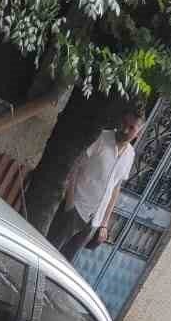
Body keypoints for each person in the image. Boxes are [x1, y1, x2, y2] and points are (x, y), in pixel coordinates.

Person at [47, 112, 145, 261]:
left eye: (131, 128)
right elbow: (76, 167)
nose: (125, 130)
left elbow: (115, 188)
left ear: (139, 132)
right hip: (75, 209)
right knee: (49, 253)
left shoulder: (130, 155)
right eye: (124, 123)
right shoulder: (102, 138)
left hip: (93, 221)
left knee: (65, 262)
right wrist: (70, 203)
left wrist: (104, 223)